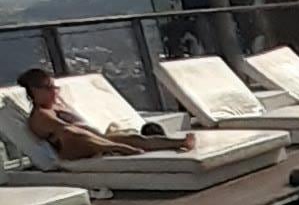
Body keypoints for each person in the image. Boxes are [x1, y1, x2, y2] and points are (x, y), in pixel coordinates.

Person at [18, 66, 196, 160]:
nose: (54, 92)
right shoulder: (41, 115)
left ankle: (179, 142)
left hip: (94, 139)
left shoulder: (57, 105)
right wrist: (109, 142)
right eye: (49, 88)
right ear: (35, 91)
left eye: (55, 87)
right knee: (71, 132)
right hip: (71, 148)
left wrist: (104, 136)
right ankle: (114, 147)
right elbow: (69, 131)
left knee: (134, 138)